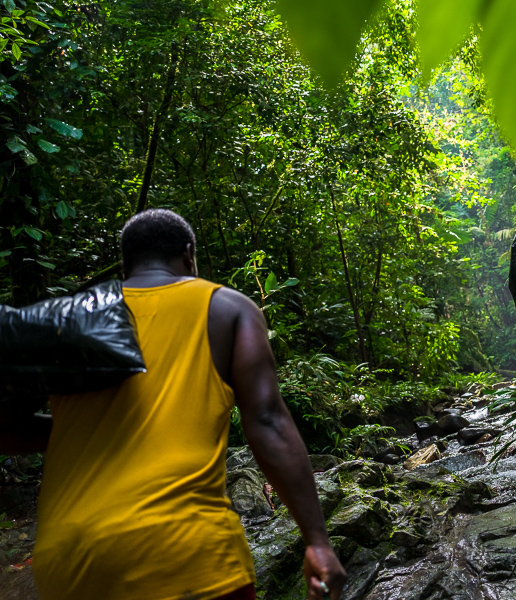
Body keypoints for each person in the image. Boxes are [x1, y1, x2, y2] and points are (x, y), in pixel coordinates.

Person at [0, 209, 345, 600]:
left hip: (69, 560)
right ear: (188, 256)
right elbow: (267, 421)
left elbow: (8, 430)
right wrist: (316, 540)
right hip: (184, 551)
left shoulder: (73, 318)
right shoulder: (226, 308)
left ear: (126, 265)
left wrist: (81, 428)